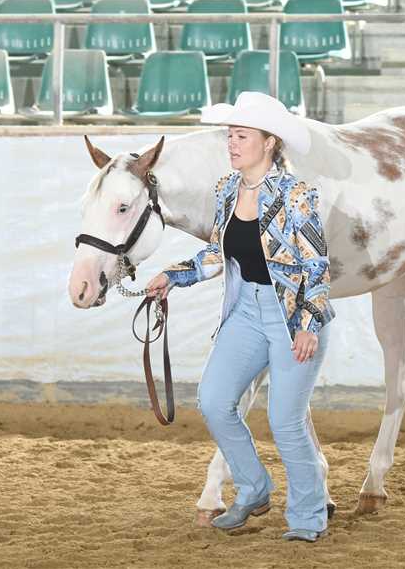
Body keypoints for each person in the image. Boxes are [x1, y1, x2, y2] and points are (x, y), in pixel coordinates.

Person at [144, 91, 336, 543]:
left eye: (242, 136)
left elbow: (317, 266)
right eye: (230, 135)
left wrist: (309, 324)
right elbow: (218, 252)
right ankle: (253, 488)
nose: (231, 143)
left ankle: (308, 518)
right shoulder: (227, 190)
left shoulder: (296, 194)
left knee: (286, 421)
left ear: (269, 143)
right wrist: (173, 276)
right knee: (214, 401)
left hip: (291, 317)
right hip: (246, 310)